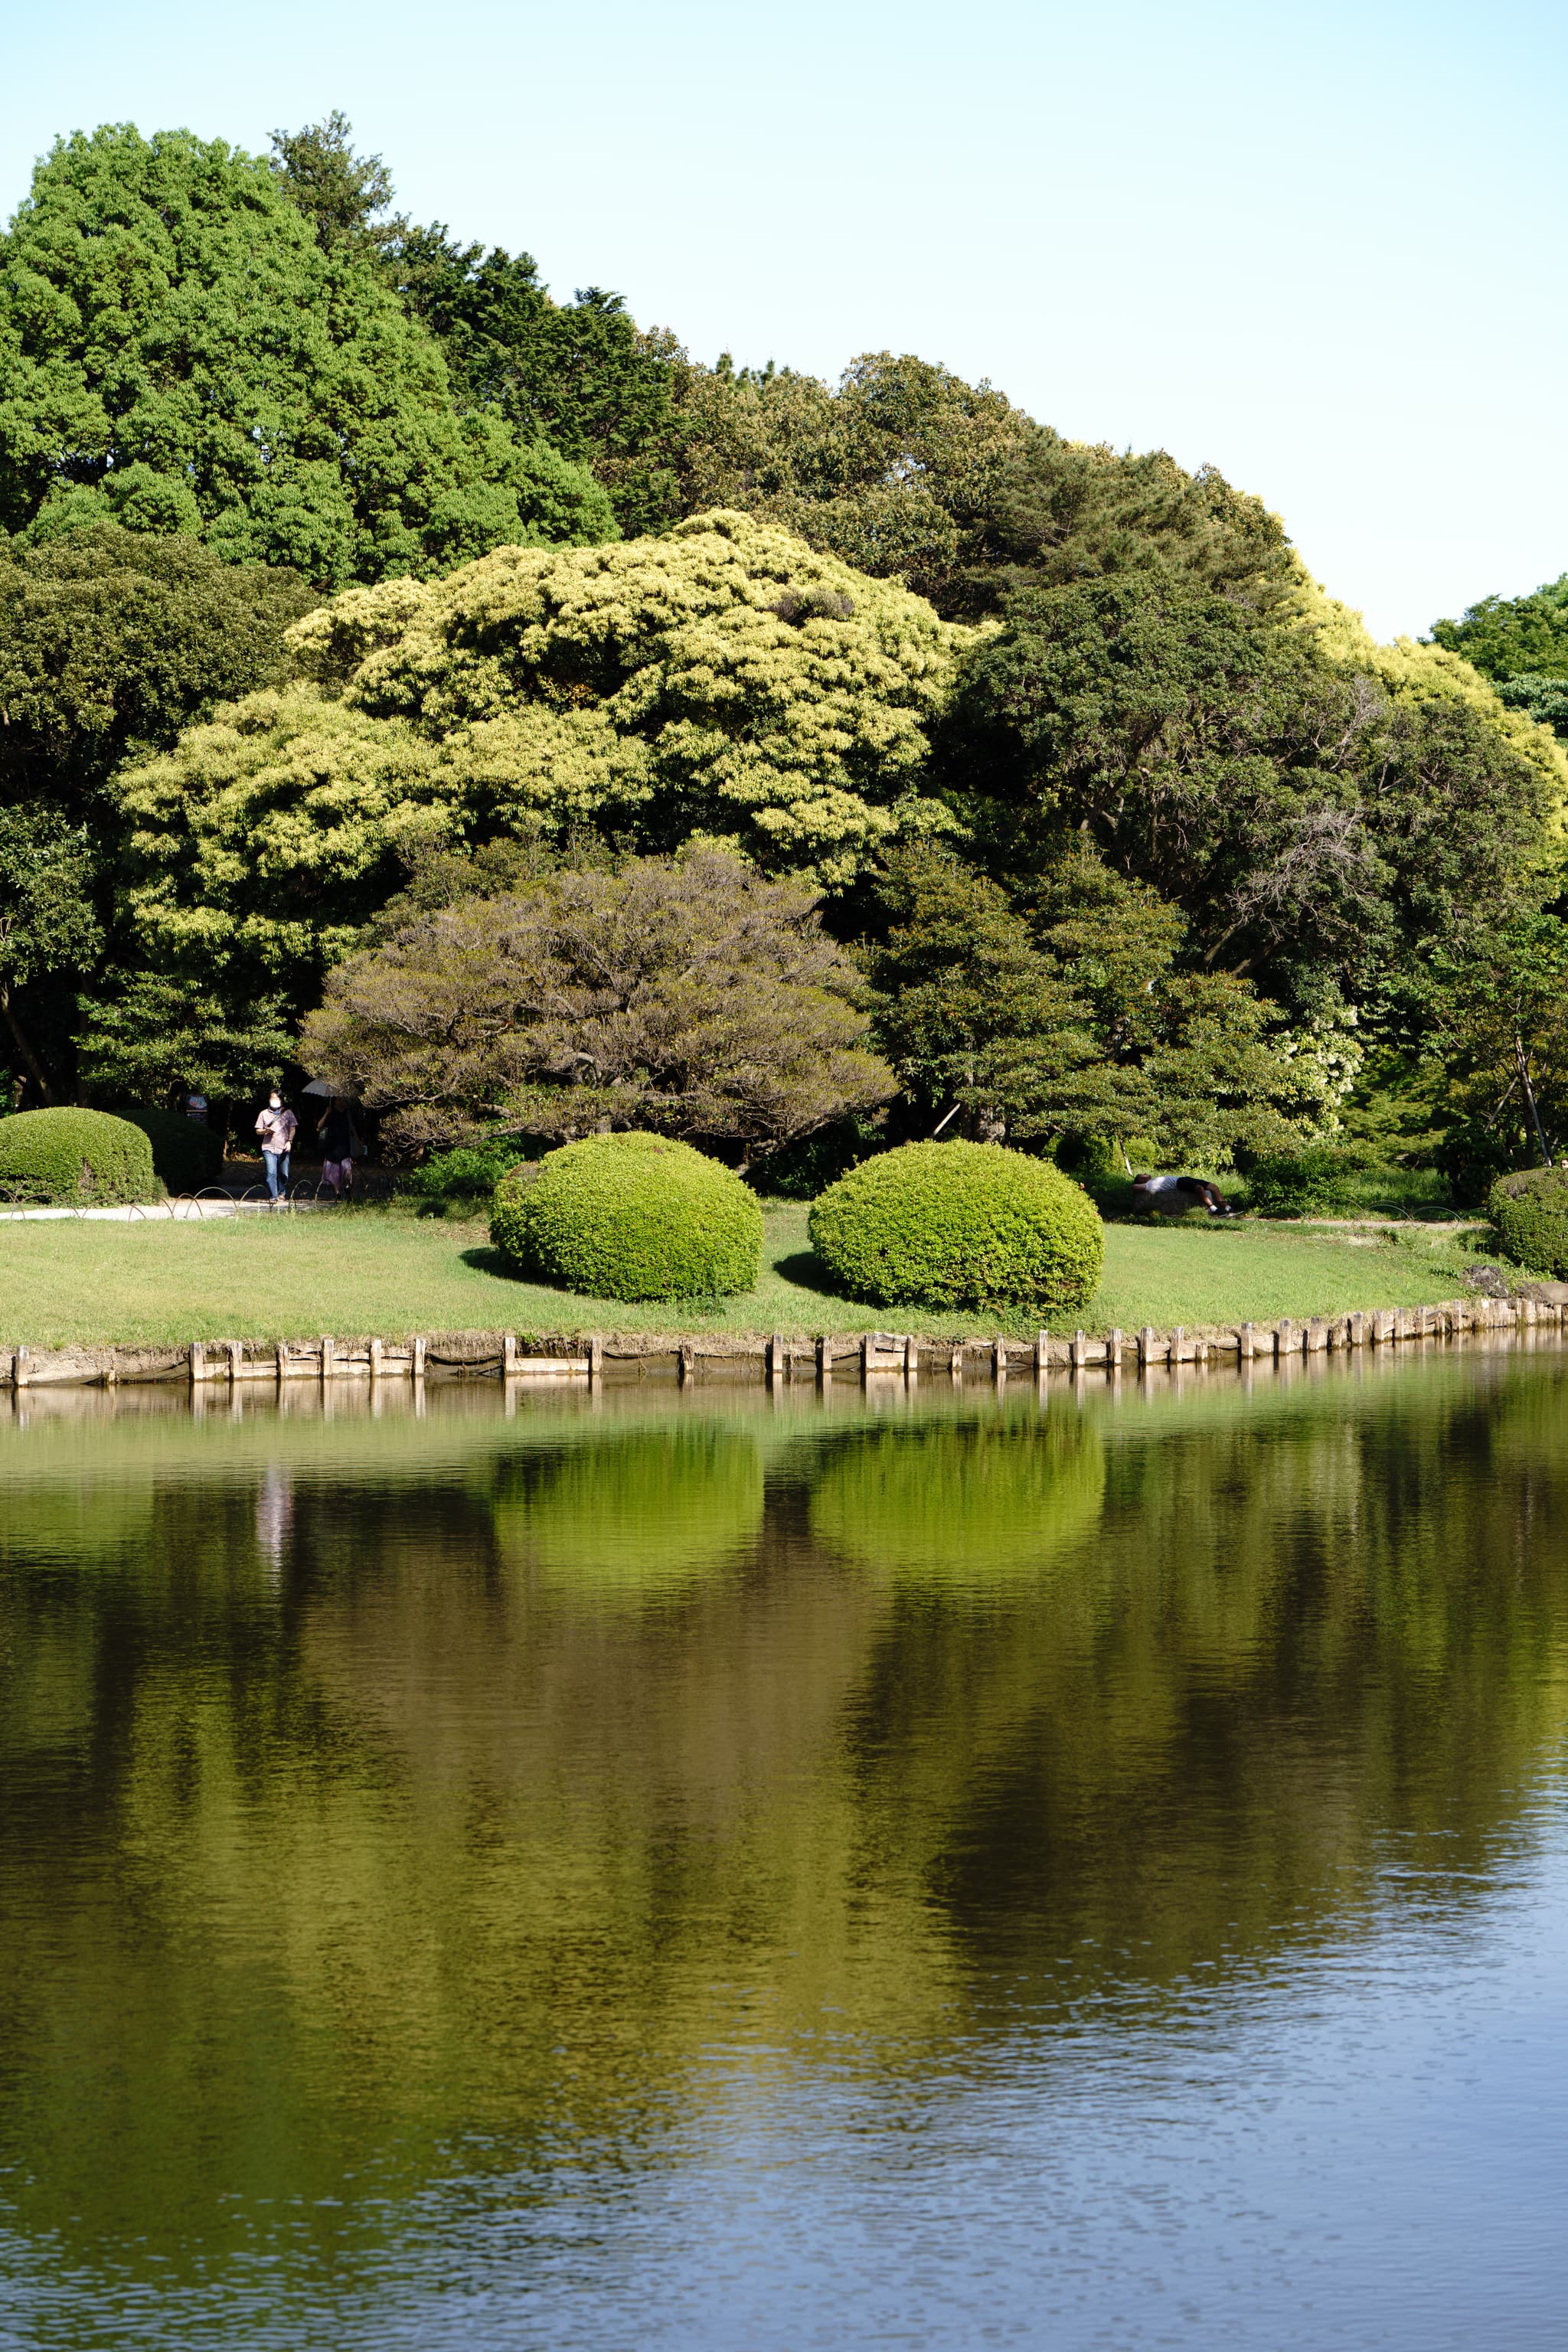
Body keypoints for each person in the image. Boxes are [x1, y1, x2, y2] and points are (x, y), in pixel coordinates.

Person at [255, 1089, 298, 1202]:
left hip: (284, 1147)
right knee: (271, 1172)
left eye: (276, 1098)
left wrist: (290, 1141)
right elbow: (257, 1130)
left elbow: (293, 1128)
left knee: (284, 1173)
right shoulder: (263, 1113)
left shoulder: (288, 1113)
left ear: (281, 1099)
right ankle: (273, 1196)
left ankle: (282, 1193)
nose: (274, 1100)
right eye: (272, 1097)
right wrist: (265, 1131)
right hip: (268, 1147)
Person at [316, 1096, 361, 1201]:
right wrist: (327, 1113)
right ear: (335, 1100)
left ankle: (347, 1188)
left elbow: (353, 1127)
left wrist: (358, 1140)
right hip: (331, 1146)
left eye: (343, 1099)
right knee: (335, 1171)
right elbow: (319, 1126)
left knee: (346, 1169)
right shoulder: (329, 1112)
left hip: (345, 1145)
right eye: (339, 1099)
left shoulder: (348, 1113)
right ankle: (337, 1193)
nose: (342, 1101)